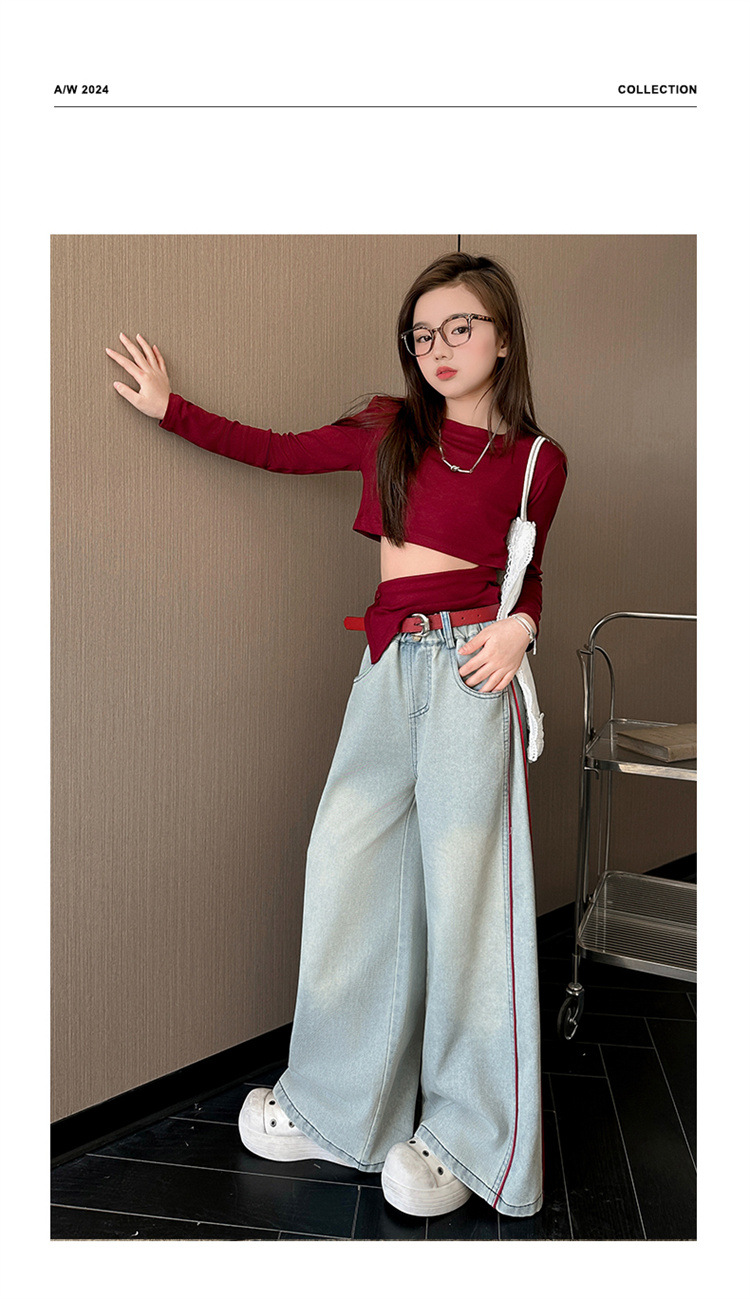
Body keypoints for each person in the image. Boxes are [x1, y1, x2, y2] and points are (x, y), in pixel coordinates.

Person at [106, 251, 567, 1220]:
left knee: (469, 905)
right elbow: (277, 451)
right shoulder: (388, 427)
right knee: (347, 869)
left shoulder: (537, 460)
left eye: (461, 327)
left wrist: (523, 626)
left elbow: (529, 570)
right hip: (388, 664)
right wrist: (171, 409)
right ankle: (337, 1109)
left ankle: (472, 1142)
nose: (439, 347)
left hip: (472, 672)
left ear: (503, 337)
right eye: (422, 333)